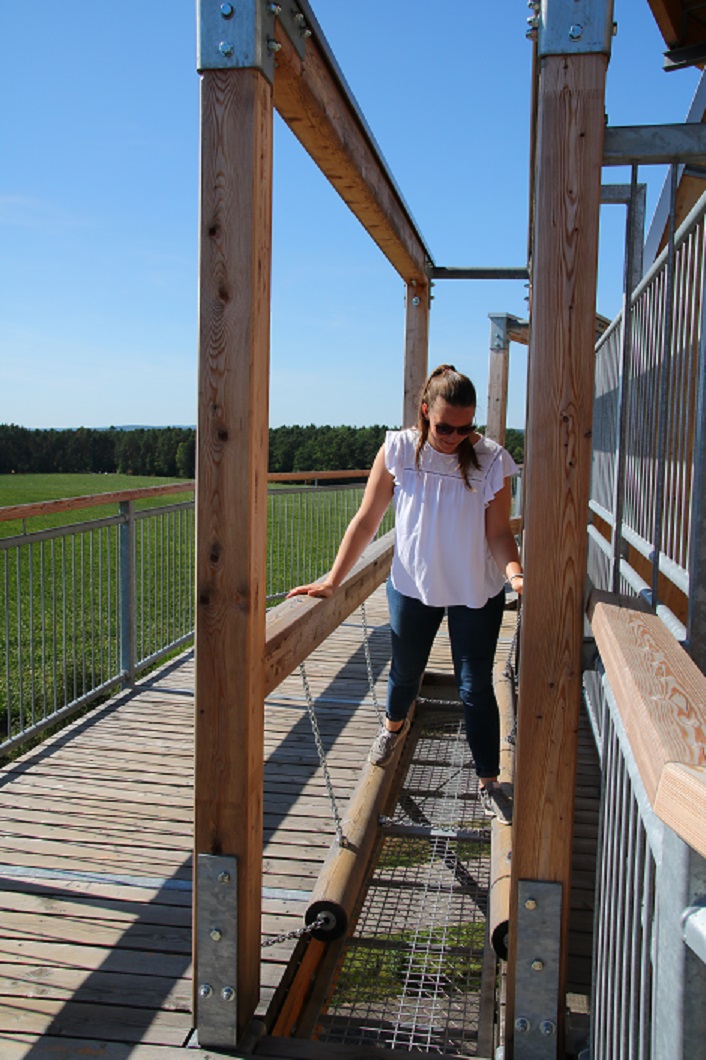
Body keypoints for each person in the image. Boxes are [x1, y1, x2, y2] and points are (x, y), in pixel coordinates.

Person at [287, 364, 523, 822]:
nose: (455, 437)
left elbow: (498, 534)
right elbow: (367, 519)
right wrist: (333, 579)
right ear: (425, 412)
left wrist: (515, 574)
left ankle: (489, 782)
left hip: (475, 589)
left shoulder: (492, 460)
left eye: (465, 428)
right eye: (445, 427)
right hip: (413, 584)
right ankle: (392, 728)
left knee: (475, 686)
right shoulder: (398, 450)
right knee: (405, 672)